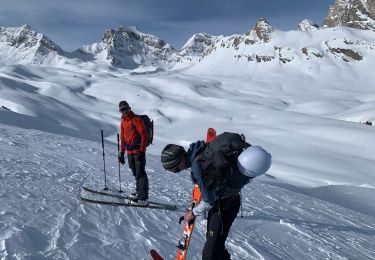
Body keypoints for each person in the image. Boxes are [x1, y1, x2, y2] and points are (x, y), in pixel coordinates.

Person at [161, 133, 271, 260]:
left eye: (175, 169)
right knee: (215, 247)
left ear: (179, 160)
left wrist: (193, 213)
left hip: (225, 207)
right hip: (225, 203)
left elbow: (209, 202)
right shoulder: (200, 150)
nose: (177, 171)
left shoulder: (197, 165)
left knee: (209, 254)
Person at [118, 100, 149, 206]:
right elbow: (122, 137)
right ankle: (139, 192)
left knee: (140, 173)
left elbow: (144, 135)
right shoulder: (123, 121)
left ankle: (143, 198)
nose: (124, 111)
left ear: (129, 108)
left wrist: (142, 151)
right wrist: (121, 153)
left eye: (125, 109)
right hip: (129, 151)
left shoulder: (136, 119)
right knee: (135, 172)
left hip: (138, 151)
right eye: (122, 110)